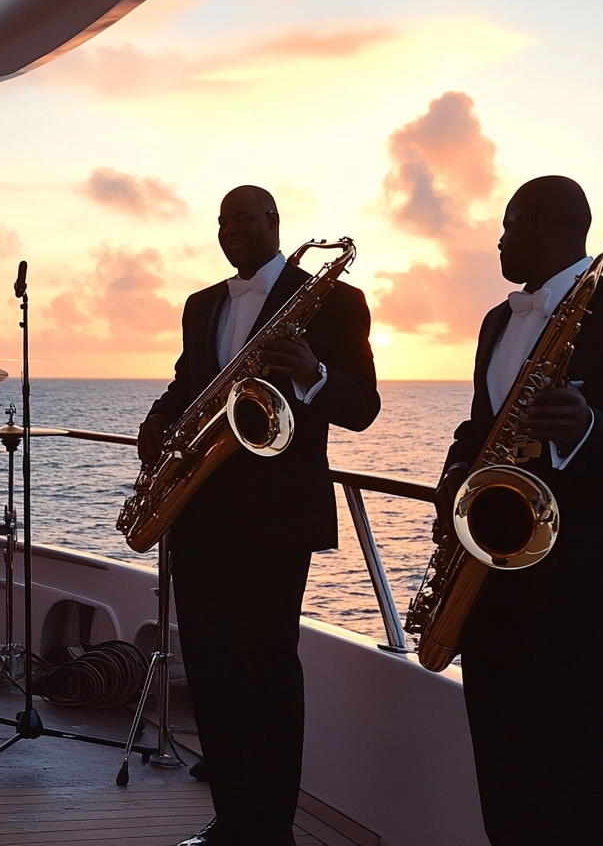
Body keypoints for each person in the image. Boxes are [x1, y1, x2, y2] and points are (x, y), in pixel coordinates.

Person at [432, 175, 603, 846]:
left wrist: (585, 428)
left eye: (509, 226)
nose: (499, 239)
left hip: (577, 605)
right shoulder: (496, 321)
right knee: (504, 785)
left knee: (569, 797)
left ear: (544, 224)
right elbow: (480, 426)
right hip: (489, 588)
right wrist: (456, 475)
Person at [138, 186, 380, 846]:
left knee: (266, 676)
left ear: (275, 223)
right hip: (199, 513)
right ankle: (232, 821)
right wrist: (160, 417)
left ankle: (271, 832)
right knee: (212, 676)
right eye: (222, 222)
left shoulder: (334, 300)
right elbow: (189, 382)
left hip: (275, 520)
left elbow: (363, 405)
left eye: (243, 220)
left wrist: (315, 373)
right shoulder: (203, 305)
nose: (230, 231)